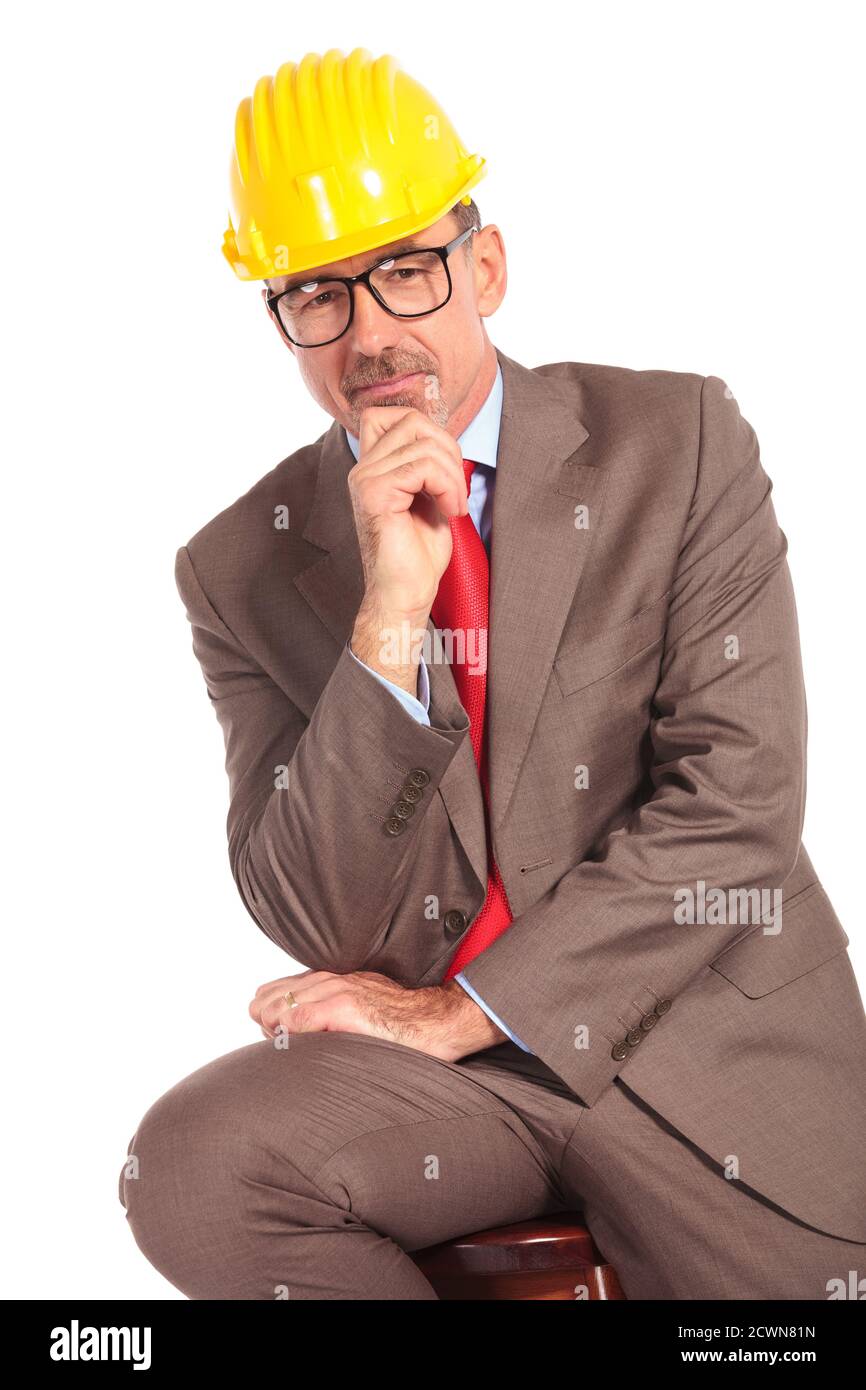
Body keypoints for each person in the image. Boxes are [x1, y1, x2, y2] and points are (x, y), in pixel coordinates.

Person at [118, 46, 866, 1300]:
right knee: (196, 1169)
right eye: (318, 295)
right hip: (453, 1095)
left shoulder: (674, 443)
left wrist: (464, 1012)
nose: (369, 333)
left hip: (693, 1039)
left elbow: (736, 809)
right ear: (282, 323)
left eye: (404, 270)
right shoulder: (238, 566)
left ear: (485, 267)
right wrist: (388, 615)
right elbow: (317, 915)